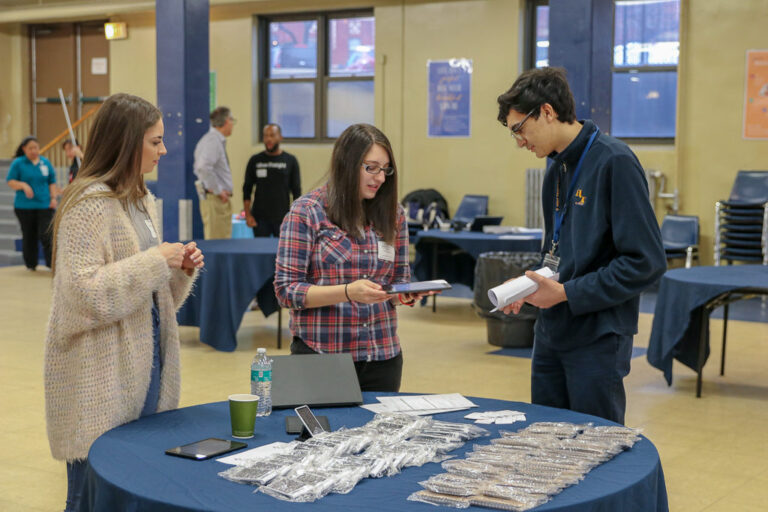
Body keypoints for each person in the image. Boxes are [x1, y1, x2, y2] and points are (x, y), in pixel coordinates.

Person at [44, 93, 204, 512]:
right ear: (127, 143)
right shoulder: (86, 205)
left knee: (134, 481)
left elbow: (152, 295)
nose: (163, 150)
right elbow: (82, 296)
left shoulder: (140, 200)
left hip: (145, 363)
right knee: (92, 492)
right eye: (155, 141)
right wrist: (156, 260)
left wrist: (178, 271)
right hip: (101, 374)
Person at [496, 67, 666, 424]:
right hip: (551, 332)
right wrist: (527, 287)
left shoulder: (614, 161)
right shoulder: (555, 167)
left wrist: (568, 293)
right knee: (545, 440)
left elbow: (645, 262)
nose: (519, 142)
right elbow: (557, 253)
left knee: (594, 450)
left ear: (546, 111)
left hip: (598, 337)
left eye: (519, 130)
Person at [274, 123, 435, 392]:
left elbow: (398, 280)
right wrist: (348, 292)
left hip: (382, 356)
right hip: (322, 356)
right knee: (321, 435)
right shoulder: (307, 212)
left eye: (385, 169)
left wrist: (403, 294)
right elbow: (286, 291)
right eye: (371, 168)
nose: (380, 178)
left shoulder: (394, 214)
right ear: (347, 165)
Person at [5, 136, 56, 270]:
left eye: (36, 148)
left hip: (44, 205)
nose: (34, 151)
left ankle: (52, 264)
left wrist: (53, 198)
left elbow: (52, 181)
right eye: (30, 148)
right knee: (29, 235)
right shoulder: (18, 163)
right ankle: (31, 265)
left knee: (46, 234)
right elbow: (10, 181)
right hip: (24, 207)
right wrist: (23, 185)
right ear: (24, 149)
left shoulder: (45, 162)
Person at [242, 123, 301, 237]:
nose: (269, 139)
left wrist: (295, 217)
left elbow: (296, 191)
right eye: (266, 136)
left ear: (280, 137)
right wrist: (248, 215)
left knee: (281, 253)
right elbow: (247, 189)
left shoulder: (290, 160)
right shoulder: (255, 160)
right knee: (260, 250)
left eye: (272, 135)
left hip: (283, 218)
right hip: (259, 219)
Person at [193, 106, 235, 239]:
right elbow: (203, 167)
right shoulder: (213, 141)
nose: (233, 124)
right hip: (215, 199)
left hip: (216, 199)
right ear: (227, 121)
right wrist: (218, 190)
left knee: (221, 239)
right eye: (232, 121)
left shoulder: (212, 140)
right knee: (218, 243)